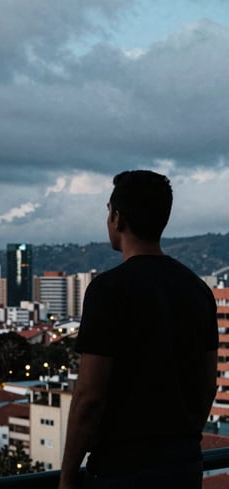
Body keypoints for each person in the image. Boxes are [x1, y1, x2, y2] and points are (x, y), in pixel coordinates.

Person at [58, 170, 218, 489]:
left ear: (118, 218)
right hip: (182, 467)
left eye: (108, 210)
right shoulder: (197, 289)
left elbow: (90, 396)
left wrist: (66, 478)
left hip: (121, 469)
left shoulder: (108, 290)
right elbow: (207, 385)